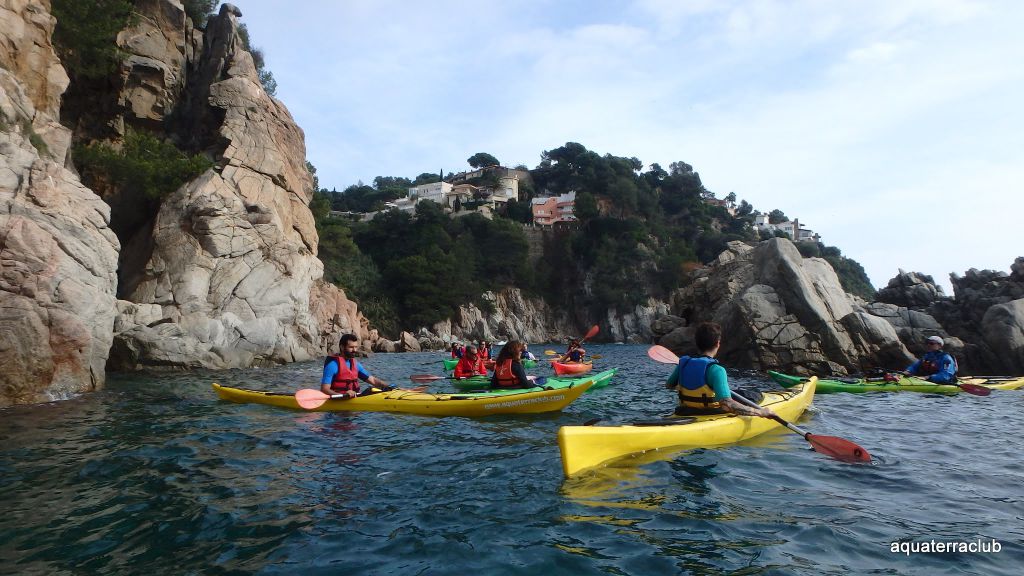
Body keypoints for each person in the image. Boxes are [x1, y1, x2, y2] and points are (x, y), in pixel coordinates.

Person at [665, 322, 775, 417]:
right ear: (718, 344)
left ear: (697, 343)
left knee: (741, 393)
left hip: (685, 411)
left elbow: (669, 386)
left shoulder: (683, 364)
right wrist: (760, 412)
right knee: (755, 396)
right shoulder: (717, 370)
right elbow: (728, 404)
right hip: (709, 413)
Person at [321, 333, 393, 398]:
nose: (354, 350)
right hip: (339, 402)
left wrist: (391, 387)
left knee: (371, 390)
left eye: (356, 347)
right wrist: (343, 394)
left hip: (354, 399)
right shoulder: (332, 365)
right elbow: (324, 389)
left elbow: (373, 381)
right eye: (351, 347)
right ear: (342, 347)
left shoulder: (355, 364)